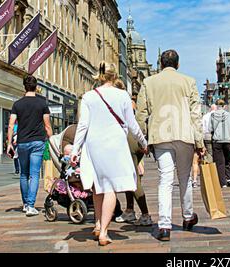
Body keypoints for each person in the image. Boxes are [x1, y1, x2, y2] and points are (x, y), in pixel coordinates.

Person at [70, 62, 148, 246]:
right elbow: (132, 124)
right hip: (115, 144)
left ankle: (98, 224)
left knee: (98, 185)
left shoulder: (89, 96)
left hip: (93, 144)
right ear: (115, 76)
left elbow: (83, 125)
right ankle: (104, 232)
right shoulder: (123, 96)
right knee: (111, 187)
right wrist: (143, 142)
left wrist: (75, 149)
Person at [136, 49, 204, 241]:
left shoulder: (149, 82)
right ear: (178, 64)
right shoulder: (189, 82)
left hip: (160, 136)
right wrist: (199, 141)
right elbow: (195, 115)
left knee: (165, 180)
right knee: (184, 178)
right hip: (184, 135)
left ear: (160, 63)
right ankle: (188, 216)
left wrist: (143, 139)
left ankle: (164, 226)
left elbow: (141, 114)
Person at [7, 75, 53, 217]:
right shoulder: (42, 104)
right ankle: (31, 206)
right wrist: (52, 142)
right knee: (34, 175)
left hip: (22, 142)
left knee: (24, 174)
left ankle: (26, 204)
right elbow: (47, 126)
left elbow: (10, 124)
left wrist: (9, 143)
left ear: (24, 86)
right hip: (38, 142)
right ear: (36, 86)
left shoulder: (17, 104)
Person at [113, 79, 153, 226]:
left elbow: (132, 123)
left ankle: (145, 214)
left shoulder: (117, 100)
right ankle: (129, 210)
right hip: (134, 139)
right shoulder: (130, 101)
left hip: (128, 139)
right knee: (128, 175)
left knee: (133, 179)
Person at [210, 99, 230, 188]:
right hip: (228, 140)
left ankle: (222, 182)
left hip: (217, 141)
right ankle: (229, 178)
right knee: (228, 159)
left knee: (219, 162)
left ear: (216, 106)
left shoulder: (213, 115)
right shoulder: (229, 115)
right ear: (224, 106)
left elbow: (210, 128)